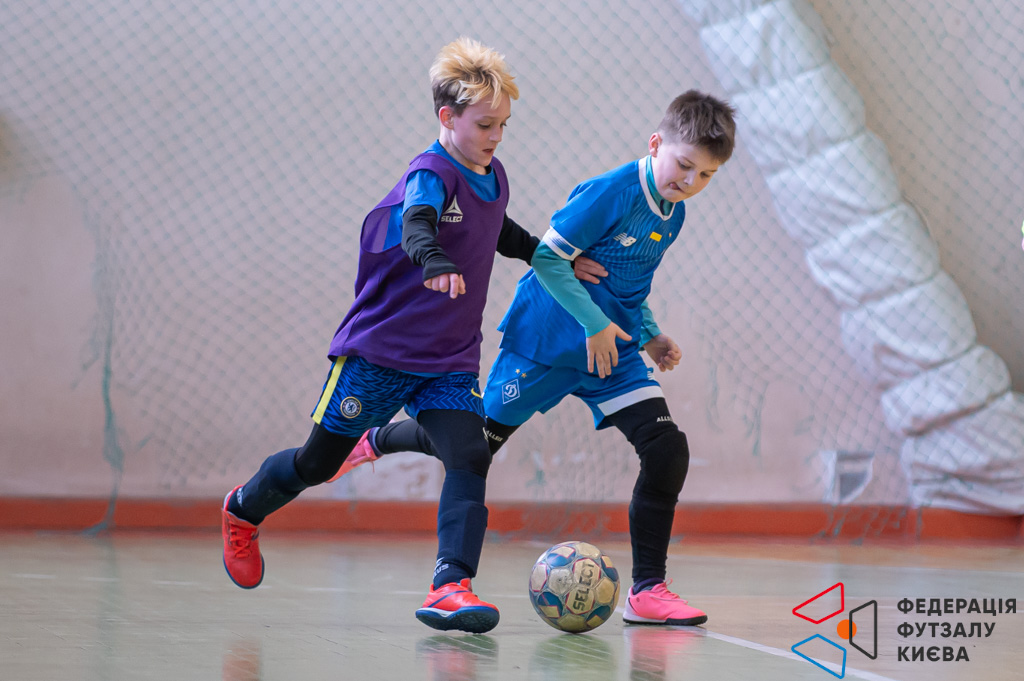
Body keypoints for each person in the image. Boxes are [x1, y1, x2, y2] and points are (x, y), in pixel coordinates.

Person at [220, 37, 601, 634]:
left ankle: (451, 585)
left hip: (448, 359)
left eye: (503, 124)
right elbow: (416, 221)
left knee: (470, 454)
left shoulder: (492, 174)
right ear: (447, 117)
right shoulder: (430, 172)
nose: (497, 136)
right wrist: (434, 260)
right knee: (317, 463)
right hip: (381, 353)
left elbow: (498, 230)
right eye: (485, 125)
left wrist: (552, 257)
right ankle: (243, 510)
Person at [340, 90, 737, 627]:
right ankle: (381, 439)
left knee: (667, 450)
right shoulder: (610, 192)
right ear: (655, 144)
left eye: (706, 175)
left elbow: (629, 282)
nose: (690, 181)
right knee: (472, 447)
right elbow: (549, 258)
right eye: (684, 165)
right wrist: (593, 324)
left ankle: (647, 591)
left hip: (609, 352)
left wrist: (648, 334)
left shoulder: (674, 213)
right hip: (546, 342)